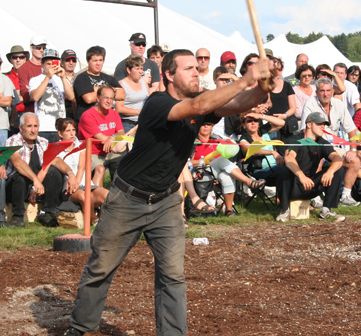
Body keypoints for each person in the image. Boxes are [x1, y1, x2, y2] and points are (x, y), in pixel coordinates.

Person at [64, 48, 274, 336]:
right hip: (128, 199)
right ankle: (79, 328)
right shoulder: (158, 103)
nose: (196, 73)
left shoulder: (201, 103)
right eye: (188, 69)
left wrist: (263, 87)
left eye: (197, 69)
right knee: (100, 269)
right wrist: (244, 79)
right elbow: (198, 107)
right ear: (169, 75)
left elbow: (239, 104)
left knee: (173, 276)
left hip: (166, 201)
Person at [5, 113, 75, 227]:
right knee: (19, 177)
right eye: (29, 126)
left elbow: (56, 160)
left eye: (36, 126)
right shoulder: (13, 141)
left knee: (55, 172)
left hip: (36, 186)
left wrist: (70, 173)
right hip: (15, 187)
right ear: (21, 128)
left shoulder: (43, 142)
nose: (33, 130)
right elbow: (17, 163)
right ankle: (17, 216)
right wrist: (35, 180)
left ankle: (46, 212)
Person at [299, 78, 361, 207]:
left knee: (355, 161)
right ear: (316, 92)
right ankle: (314, 197)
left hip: (332, 147)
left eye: (328, 90)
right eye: (322, 91)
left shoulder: (339, 104)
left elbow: (352, 130)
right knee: (318, 161)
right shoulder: (310, 104)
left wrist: (353, 150)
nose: (326, 94)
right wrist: (318, 151)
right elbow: (306, 131)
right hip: (314, 145)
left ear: (333, 91)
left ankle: (345, 196)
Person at [275, 112, 346, 222]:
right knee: (284, 170)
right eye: (319, 124)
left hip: (311, 185)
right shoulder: (296, 140)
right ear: (309, 124)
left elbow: (337, 159)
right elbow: (288, 158)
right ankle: (284, 211)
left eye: (324, 124)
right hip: (294, 185)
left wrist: (330, 171)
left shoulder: (321, 142)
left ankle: (326, 210)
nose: (322, 127)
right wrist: (301, 176)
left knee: (338, 170)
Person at [191, 122, 266, 217]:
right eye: (203, 124)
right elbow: (189, 163)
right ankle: (249, 181)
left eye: (209, 124)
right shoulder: (194, 142)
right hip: (201, 172)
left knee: (225, 175)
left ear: (212, 126)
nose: (206, 126)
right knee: (221, 160)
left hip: (218, 170)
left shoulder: (218, 140)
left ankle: (229, 210)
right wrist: (205, 161)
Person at [55, 118, 109, 224]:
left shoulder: (81, 146)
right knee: (84, 196)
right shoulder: (56, 149)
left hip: (84, 184)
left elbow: (82, 167)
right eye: (68, 131)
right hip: (69, 189)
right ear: (60, 134)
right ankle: (94, 221)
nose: (72, 133)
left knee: (108, 195)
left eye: (73, 130)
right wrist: (74, 186)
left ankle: (101, 220)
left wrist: (77, 183)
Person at [78, 86, 128, 179]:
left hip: (111, 150)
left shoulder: (114, 114)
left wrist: (113, 136)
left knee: (124, 166)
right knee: (100, 169)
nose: (109, 101)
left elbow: (121, 132)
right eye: (106, 98)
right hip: (93, 152)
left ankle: (116, 192)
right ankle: (98, 193)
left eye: (111, 98)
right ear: (98, 98)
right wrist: (113, 138)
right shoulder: (88, 116)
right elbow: (102, 138)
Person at [29, 49, 75, 143]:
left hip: (59, 128)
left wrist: (63, 77)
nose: (51, 67)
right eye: (48, 64)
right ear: (42, 64)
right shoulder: (35, 80)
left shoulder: (61, 79)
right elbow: (35, 97)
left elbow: (71, 97)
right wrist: (48, 77)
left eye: (54, 63)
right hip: (42, 128)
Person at [73, 46, 124, 121]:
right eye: (95, 60)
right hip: (88, 121)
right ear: (88, 61)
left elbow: (122, 95)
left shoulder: (109, 78)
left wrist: (97, 90)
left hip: (106, 121)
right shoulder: (82, 78)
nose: (98, 63)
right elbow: (88, 99)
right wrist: (110, 91)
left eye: (100, 60)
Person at [238, 110, 286, 179]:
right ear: (243, 125)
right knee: (285, 170)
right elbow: (254, 151)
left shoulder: (263, 131)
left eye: (256, 120)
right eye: (249, 121)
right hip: (260, 171)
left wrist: (261, 116)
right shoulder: (243, 140)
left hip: (277, 165)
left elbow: (282, 123)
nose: (253, 123)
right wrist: (272, 152)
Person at [116, 54, 149, 133]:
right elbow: (119, 108)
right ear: (128, 70)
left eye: (141, 69)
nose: (140, 72)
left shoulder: (143, 81)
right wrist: (138, 112)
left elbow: (150, 98)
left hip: (144, 121)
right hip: (128, 123)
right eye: (137, 69)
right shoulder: (122, 85)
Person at [18, 35, 47, 113]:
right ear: (31, 48)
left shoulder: (49, 66)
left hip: (50, 112)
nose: (41, 50)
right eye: (38, 47)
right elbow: (26, 95)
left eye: (44, 48)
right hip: (33, 112)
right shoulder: (23, 68)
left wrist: (35, 91)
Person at [5, 45, 28, 133]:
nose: (18, 60)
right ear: (10, 60)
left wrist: (16, 96)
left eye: (21, 57)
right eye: (15, 57)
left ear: (25, 59)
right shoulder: (6, 77)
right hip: (11, 116)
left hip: (29, 114)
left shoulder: (31, 76)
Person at [0, 57, 15, 146]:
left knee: (2, 158)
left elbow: (7, 102)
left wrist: (4, 99)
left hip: (1, 127)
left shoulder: (5, 80)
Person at [60, 49, 79, 119]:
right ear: (62, 62)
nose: (71, 63)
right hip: (62, 113)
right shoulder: (57, 78)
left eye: (74, 60)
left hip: (77, 113)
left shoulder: (80, 77)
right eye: (68, 60)